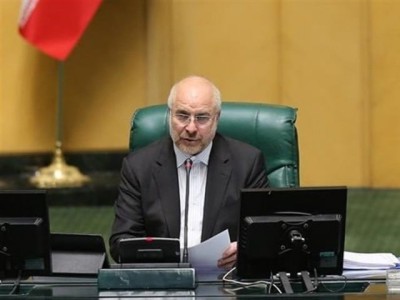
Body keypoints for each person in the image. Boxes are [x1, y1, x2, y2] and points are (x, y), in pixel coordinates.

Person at [109, 75, 269, 269]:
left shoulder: (247, 163)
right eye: (182, 116)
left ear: (216, 118)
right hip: (161, 282)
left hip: (225, 282)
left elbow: (265, 233)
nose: (191, 128)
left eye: (202, 118)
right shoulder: (138, 166)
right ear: (170, 115)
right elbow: (120, 243)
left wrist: (244, 251)